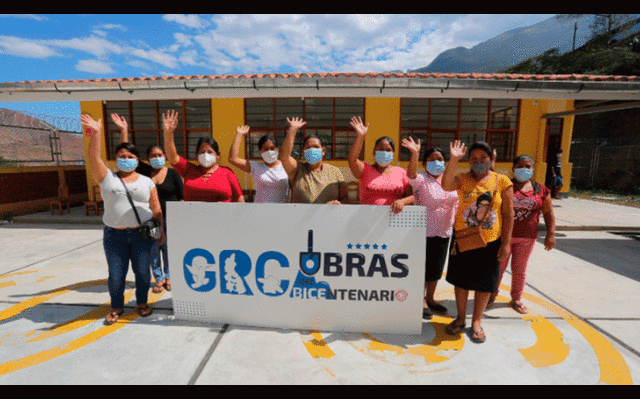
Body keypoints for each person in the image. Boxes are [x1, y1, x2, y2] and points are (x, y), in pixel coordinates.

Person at [81, 114, 164, 325]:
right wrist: (97, 134)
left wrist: (161, 231)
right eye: (121, 156)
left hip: (141, 235)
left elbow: (155, 208)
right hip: (114, 236)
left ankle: (143, 302)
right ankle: (116, 306)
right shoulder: (107, 178)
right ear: (115, 159)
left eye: (130, 157)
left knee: (143, 274)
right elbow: (93, 157)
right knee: (116, 275)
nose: (125, 160)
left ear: (138, 160)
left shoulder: (147, 181)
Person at [441, 140, 514, 343]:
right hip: (463, 240)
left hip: (490, 242)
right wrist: (454, 159)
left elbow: (508, 214)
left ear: (491, 159)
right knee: (461, 282)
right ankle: (461, 318)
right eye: (474, 158)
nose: (479, 161)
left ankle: (477, 322)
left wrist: (506, 243)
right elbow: (446, 185)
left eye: (484, 157)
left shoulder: (503, 182)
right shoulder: (463, 179)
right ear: (469, 160)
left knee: (484, 285)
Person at [489, 155, 556, 313]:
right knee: (498, 268)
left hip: (527, 237)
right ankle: (491, 295)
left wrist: (551, 234)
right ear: (513, 169)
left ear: (533, 169)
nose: (524, 169)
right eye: (520, 166)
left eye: (528, 166)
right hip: (503, 236)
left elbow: (548, 212)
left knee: (520, 270)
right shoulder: (506, 186)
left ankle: (516, 298)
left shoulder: (540, 189)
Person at [401, 136, 459, 319]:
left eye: (440, 159)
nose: (436, 163)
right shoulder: (421, 180)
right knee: (422, 268)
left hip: (444, 232)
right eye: (431, 160)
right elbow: (410, 174)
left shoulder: (452, 181)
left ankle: (431, 299)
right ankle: (421, 300)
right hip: (423, 233)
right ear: (425, 163)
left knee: (436, 270)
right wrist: (414, 154)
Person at [162, 110, 244, 203]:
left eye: (210, 152)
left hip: (221, 216)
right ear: (197, 155)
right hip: (192, 216)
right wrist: (168, 133)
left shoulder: (227, 173)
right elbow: (172, 157)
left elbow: (239, 198)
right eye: (202, 152)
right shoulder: (189, 170)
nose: (206, 155)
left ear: (218, 155)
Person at [348, 116, 413, 212]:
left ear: (393, 153)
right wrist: (360, 137)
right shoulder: (365, 169)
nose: (384, 152)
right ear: (374, 152)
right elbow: (352, 159)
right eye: (381, 149)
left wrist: (403, 201)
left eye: (388, 150)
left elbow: (413, 196)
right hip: (366, 219)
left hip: (394, 221)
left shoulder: (401, 172)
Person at [280, 117, 348, 204]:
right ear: (303, 152)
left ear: (323, 151)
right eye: (308, 148)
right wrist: (292, 130)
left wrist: (339, 204)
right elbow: (284, 157)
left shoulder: (335, 172)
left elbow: (345, 197)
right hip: (299, 216)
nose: (312, 150)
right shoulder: (297, 169)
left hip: (327, 217)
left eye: (316, 147)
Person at [146, 144, 183, 294]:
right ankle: (158, 278)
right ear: (148, 158)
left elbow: (181, 196)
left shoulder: (173, 173)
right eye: (153, 155)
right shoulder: (144, 174)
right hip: (151, 219)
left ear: (165, 157)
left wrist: (180, 218)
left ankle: (169, 277)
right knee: (153, 250)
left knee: (168, 249)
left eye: (159, 155)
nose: (157, 158)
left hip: (170, 219)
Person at [228, 125, 290, 203]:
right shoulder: (256, 167)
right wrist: (239, 134)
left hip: (282, 212)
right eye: (265, 149)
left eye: (272, 148)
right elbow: (233, 158)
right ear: (260, 151)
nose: (269, 151)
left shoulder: (286, 166)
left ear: (277, 149)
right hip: (259, 212)